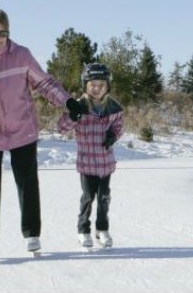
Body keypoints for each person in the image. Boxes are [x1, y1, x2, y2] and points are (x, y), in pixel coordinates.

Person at [0, 7, 87, 258]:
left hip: (22, 127)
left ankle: (32, 233)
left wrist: (68, 102)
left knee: (27, 181)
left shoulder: (21, 55)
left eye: (3, 33)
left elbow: (45, 83)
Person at [58, 63, 124, 249]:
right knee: (88, 196)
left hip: (105, 162)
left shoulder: (114, 108)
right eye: (93, 85)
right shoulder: (79, 106)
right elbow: (62, 128)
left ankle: (101, 229)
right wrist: (72, 117)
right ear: (86, 85)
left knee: (104, 197)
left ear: (108, 86)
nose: (97, 89)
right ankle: (83, 230)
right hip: (87, 164)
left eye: (101, 85)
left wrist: (113, 136)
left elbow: (119, 126)